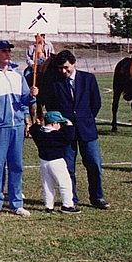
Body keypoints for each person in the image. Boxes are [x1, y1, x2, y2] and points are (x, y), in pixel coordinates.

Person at [45, 49, 110, 209]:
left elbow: (96, 103)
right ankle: (71, 198)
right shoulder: (54, 82)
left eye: (66, 67)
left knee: (94, 165)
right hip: (66, 133)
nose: (64, 71)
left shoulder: (88, 79)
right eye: (61, 68)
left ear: (73, 64)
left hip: (87, 130)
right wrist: (64, 124)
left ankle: (97, 197)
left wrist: (85, 119)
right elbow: (51, 106)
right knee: (68, 167)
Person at [0, 40, 38, 218]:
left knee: (16, 165)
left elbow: (25, 102)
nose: (7, 54)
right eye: (3, 51)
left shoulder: (18, 75)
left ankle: (16, 203)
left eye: (9, 51)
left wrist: (31, 95)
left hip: (17, 126)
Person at [29, 111, 80, 214]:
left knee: (47, 185)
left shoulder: (39, 133)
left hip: (44, 162)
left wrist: (37, 124)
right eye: (59, 123)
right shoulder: (56, 135)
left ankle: (49, 206)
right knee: (65, 183)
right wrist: (70, 126)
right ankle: (67, 205)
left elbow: (32, 130)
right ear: (54, 123)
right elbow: (69, 137)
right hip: (57, 161)